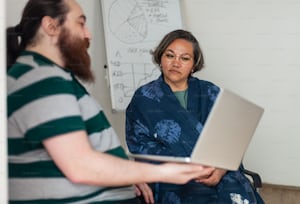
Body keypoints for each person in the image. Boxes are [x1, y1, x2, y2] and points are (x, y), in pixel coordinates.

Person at [6, 1, 215, 203]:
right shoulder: (41, 79)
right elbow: (80, 165)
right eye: (80, 23)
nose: (88, 34)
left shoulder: (52, 76)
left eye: (185, 58)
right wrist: (163, 171)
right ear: (50, 26)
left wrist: (129, 174)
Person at [126, 29, 265, 204]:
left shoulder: (210, 92)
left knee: (235, 191)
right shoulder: (144, 97)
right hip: (172, 177)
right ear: (160, 58)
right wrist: (185, 168)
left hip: (218, 171)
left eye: (184, 58)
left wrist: (221, 168)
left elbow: (231, 139)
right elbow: (139, 146)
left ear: (194, 64)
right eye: (170, 56)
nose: (176, 63)